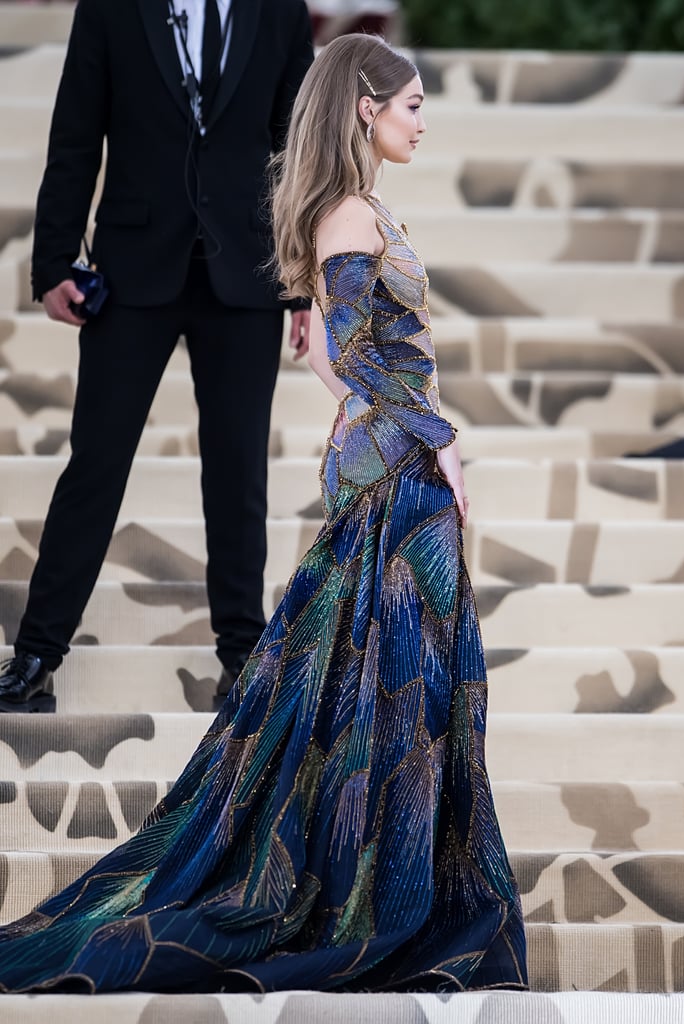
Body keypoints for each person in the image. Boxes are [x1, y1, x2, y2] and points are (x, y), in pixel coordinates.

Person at [0, 33, 527, 993]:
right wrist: (436, 433)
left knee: (389, 680)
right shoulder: (348, 217)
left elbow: (333, 355)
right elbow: (356, 359)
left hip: (381, 457)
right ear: (366, 107)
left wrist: (397, 426)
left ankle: (386, 883)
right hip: (388, 465)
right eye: (411, 104)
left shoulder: (353, 207)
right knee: (389, 686)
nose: (422, 120)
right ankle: (373, 896)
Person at [0, 0, 314, 713]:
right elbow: (76, 133)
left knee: (238, 471)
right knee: (97, 463)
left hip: (246, 273)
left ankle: (242, 655)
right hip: (134, 269)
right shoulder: (112, 6)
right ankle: (37, 653)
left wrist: (302, 282)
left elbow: (295, 149)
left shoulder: (279, 9)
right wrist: (53, 260)